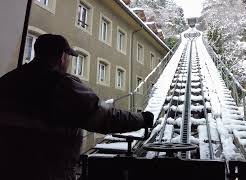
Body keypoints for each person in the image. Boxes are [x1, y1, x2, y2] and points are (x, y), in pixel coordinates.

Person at [0, 34, 154, 180]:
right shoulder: (61, 85)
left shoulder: (7, 80)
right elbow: (105, 118)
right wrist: (142, 118)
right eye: (69, 58)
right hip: (48, 171)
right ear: (62, 57)